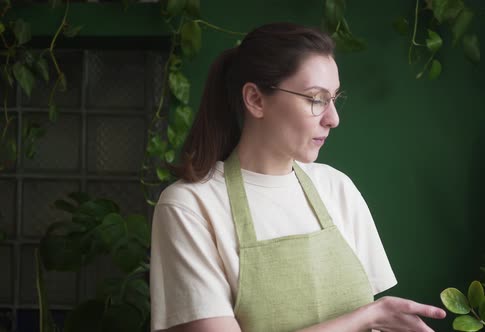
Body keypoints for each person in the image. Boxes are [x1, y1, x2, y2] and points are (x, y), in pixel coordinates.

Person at [150, 22, 446, 332]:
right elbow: (364, 319)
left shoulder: (337, 188)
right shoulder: (190, 207)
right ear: (255, 99)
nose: (333, 119)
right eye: (316, 99)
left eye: (334, 99)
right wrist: (366, 318)